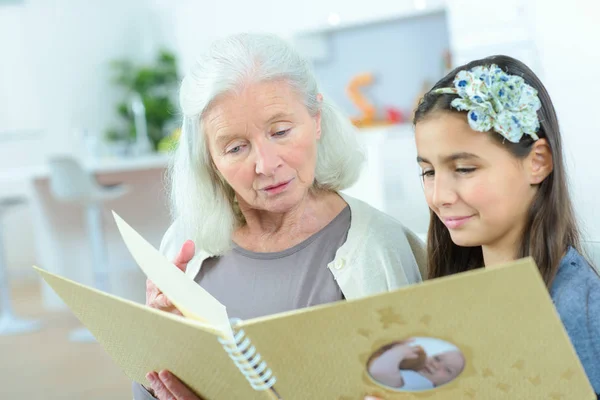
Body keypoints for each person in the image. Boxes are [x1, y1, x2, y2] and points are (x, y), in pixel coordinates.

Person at [133, 32, 426, 400]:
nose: (267, 165)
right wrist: (154, 349)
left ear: (316, 119)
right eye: (236, 147)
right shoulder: (184, 245)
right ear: (209, 158)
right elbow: (147, 388)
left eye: (281, 131)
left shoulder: (377, 246)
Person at [366, 55, 600, 400]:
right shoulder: (453, 299)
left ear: (538, 162)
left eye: (463, 169)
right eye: (428, 172)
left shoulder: (574, 308)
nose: (438, 196)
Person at [367, 339, 465, 391]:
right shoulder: (411, 370)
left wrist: (399, 352)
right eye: (437, 358)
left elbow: (379, 372)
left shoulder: (423, 383)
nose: (435, 365)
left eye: (448, 370)